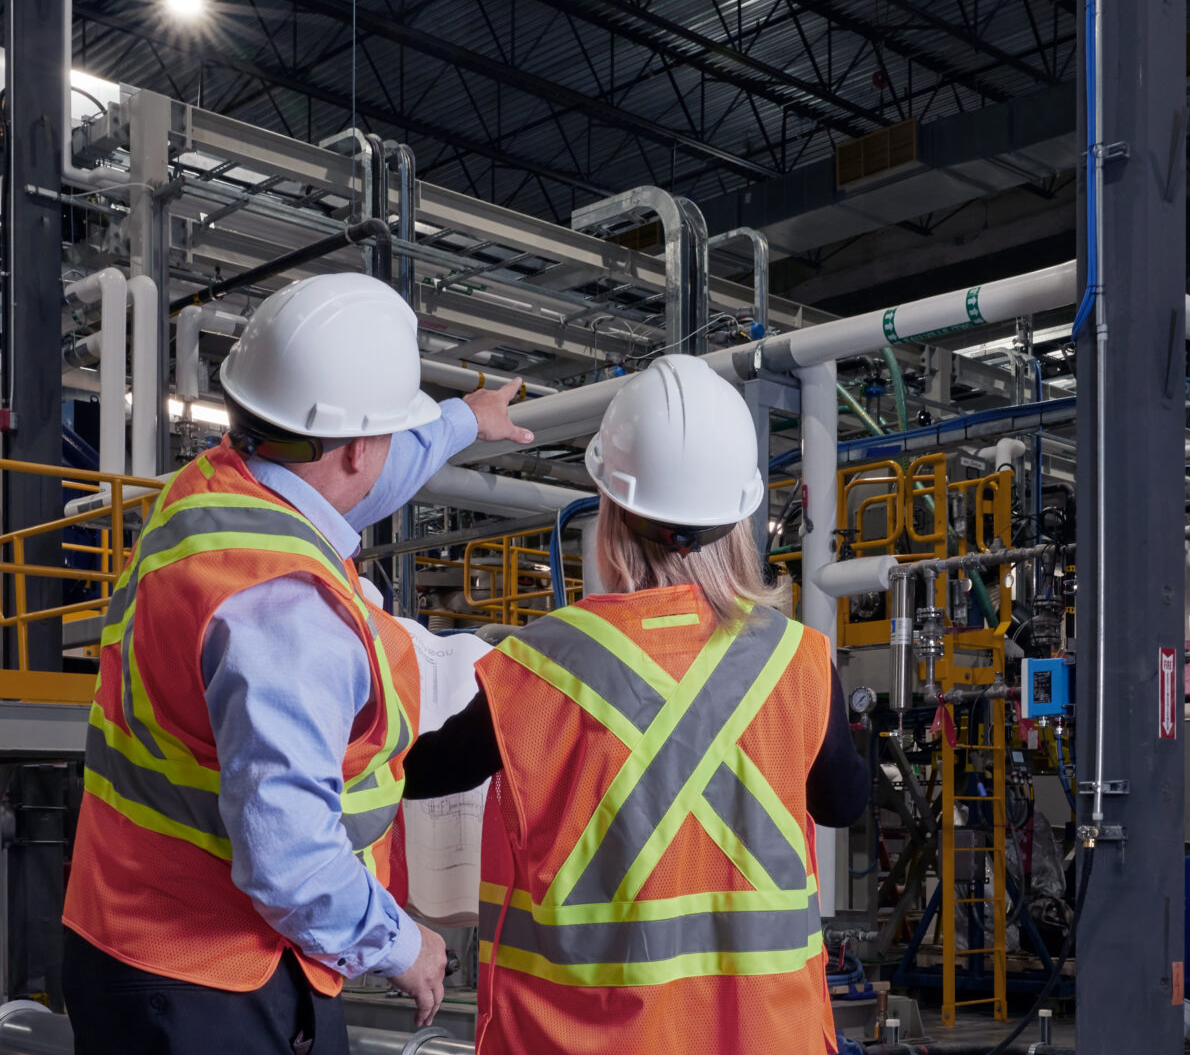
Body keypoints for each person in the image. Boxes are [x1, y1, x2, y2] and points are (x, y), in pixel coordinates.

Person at [62, 272, 533, 1055]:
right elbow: (291, 858)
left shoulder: (212, 489)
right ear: (354, 447)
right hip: (207, 980)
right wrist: (403, 944)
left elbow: (357, 476)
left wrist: (458, 423)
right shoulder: (288, 612)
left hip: (125, 928)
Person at [405, 354, 870, 1055]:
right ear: (741, 514)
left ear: (612, 512)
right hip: (764, 1036)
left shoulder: (540, 663)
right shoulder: (798, 662)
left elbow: (417, 769)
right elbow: (843, 802)